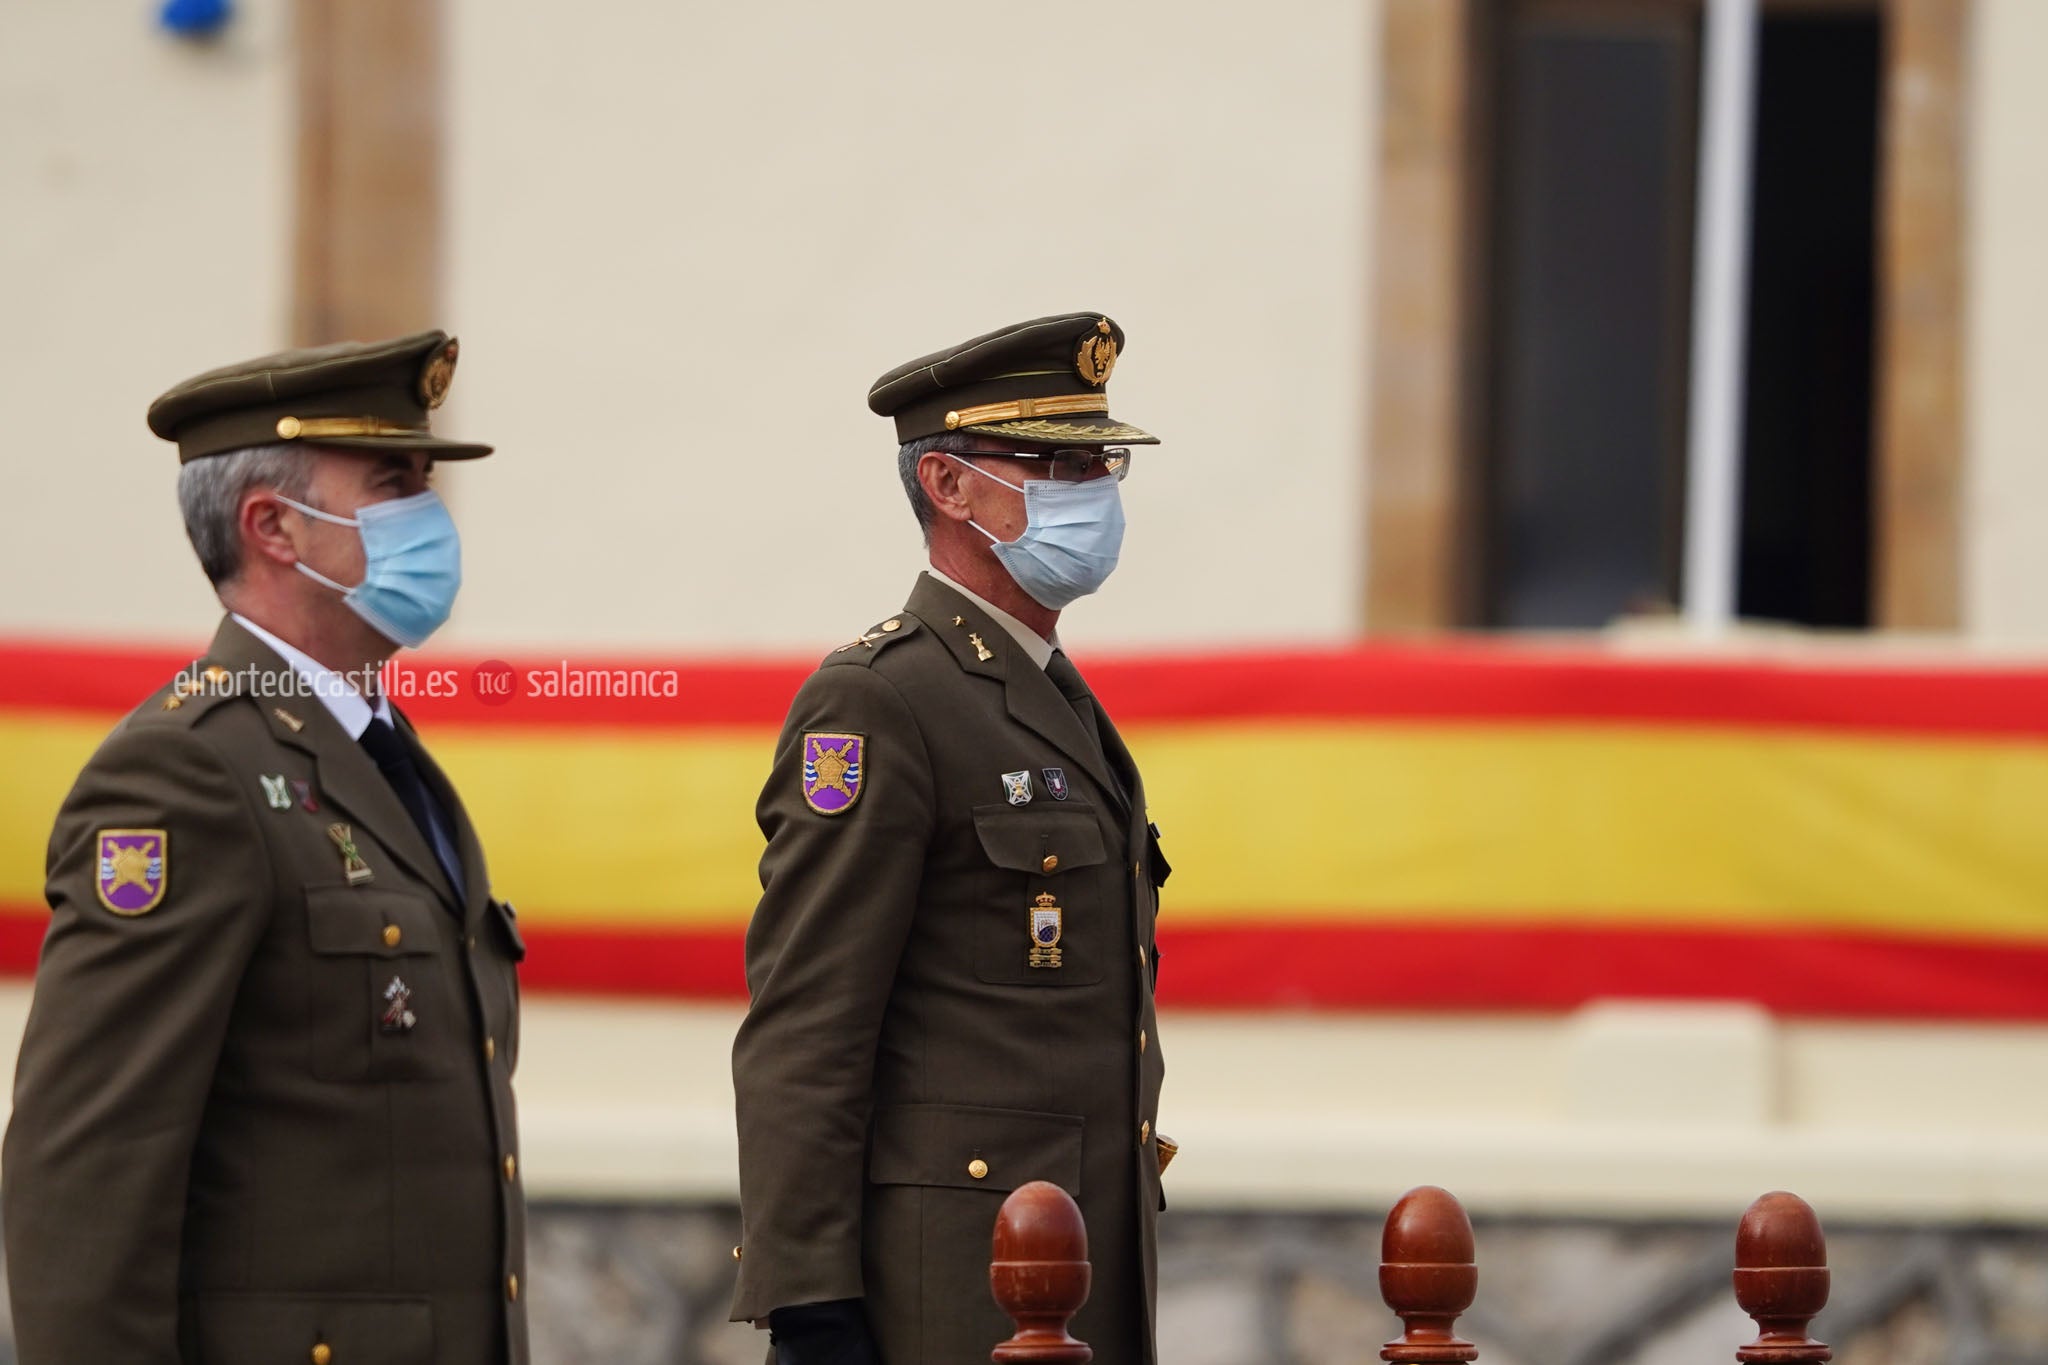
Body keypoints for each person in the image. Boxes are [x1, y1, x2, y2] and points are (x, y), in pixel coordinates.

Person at [2, 331, 529, 1365]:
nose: (430, 516)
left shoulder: (382, 753)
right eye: (391, 484)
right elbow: (91, 1167)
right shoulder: (186, 772)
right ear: (273, 527)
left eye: (425, 481)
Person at [730, 312, 1174, 1365]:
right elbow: (809, 1024)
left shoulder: (1050, 693)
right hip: (952, 1286)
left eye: (1100, 462)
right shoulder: (881, 700)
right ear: (948, 485)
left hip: (1075, 1268)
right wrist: (810, 1301)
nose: (1091, 489)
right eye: (1052, 463)